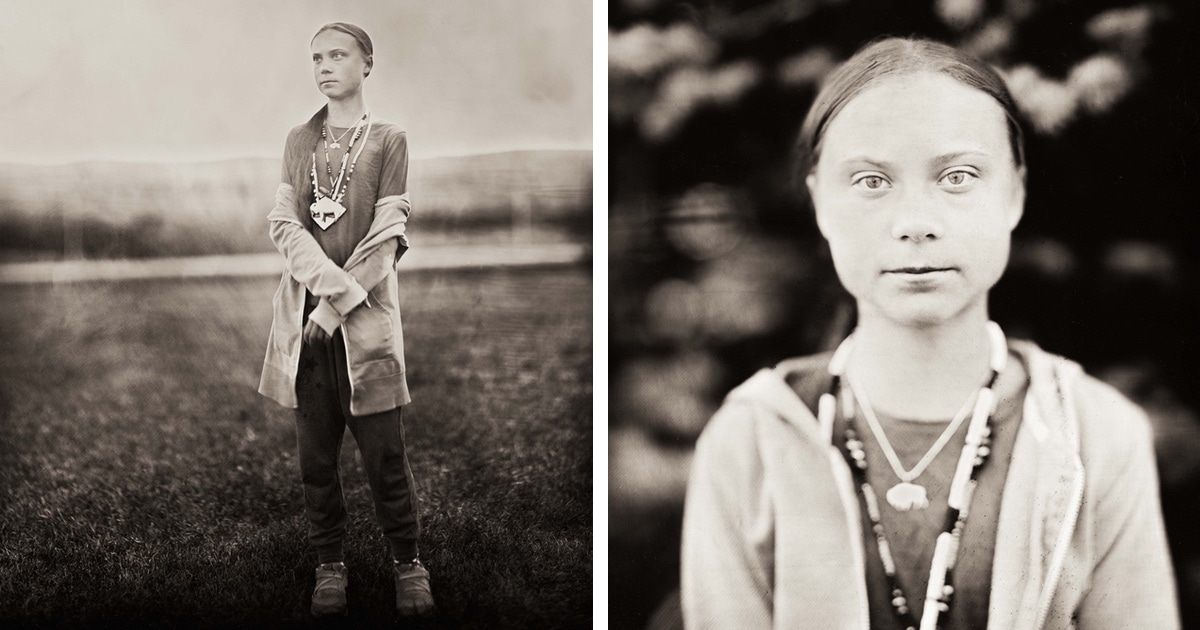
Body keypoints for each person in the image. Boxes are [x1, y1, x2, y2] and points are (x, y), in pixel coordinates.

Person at [680, 37, 1178, 629]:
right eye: (870, 181)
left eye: (958, 176)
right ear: (819, 203)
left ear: (1015, 193)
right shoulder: (749, 443)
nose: (916, 222)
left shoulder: (1096, 436)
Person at [258, 22, 434, 618]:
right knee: (315, 456)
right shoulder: (298, 141)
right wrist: (322, 298)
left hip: (366, 324)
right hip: (306, 326)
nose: (325, 66)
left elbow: (387, 239)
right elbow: (285, 227)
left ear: (367, 64)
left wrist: (339, 307)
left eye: (338, 55)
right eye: (316, 58)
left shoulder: (389, 140)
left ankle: (408, 564)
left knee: (385, 454)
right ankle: (329, 566)